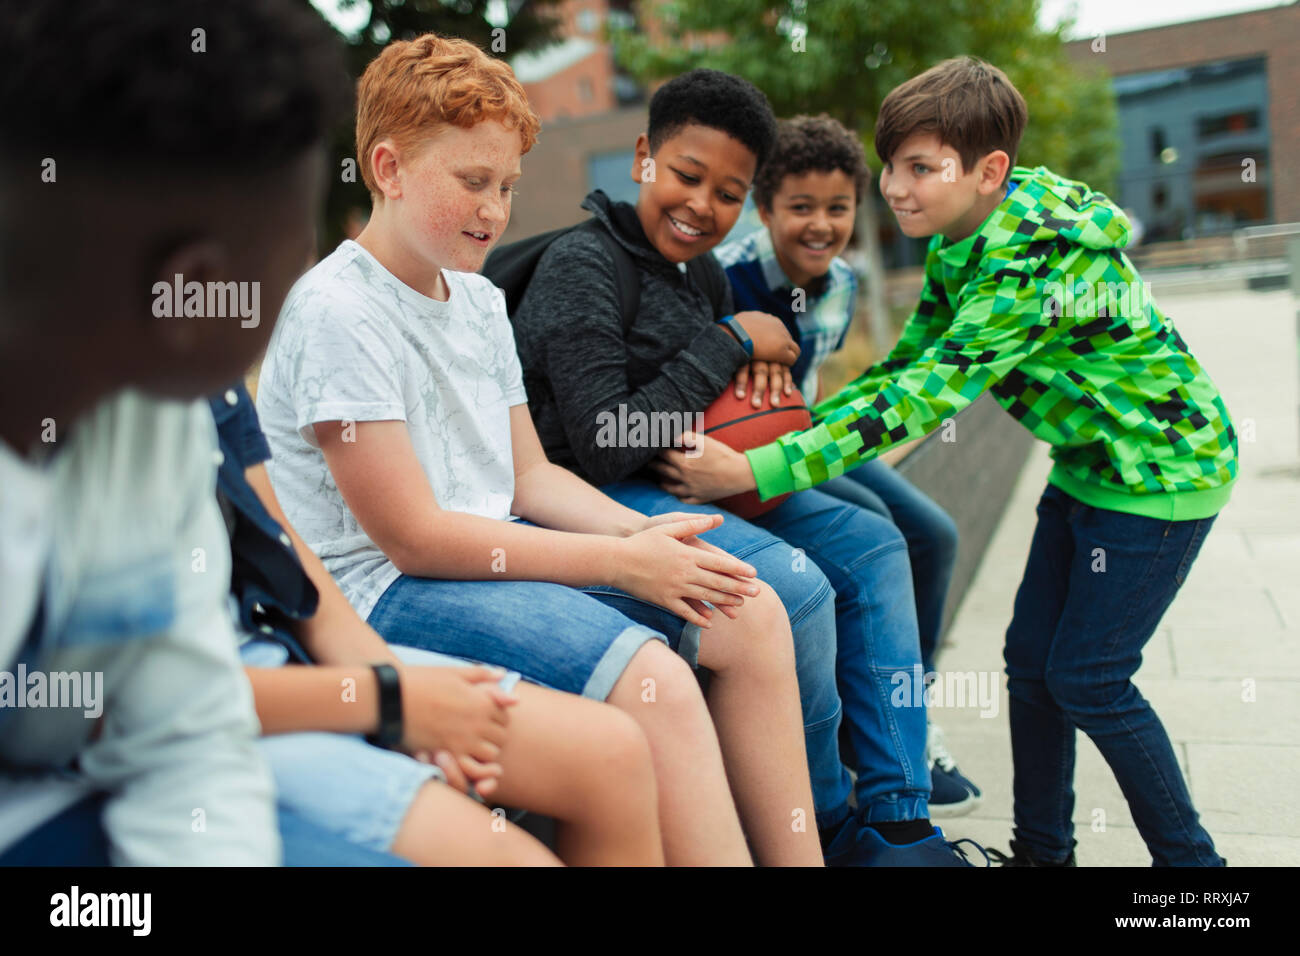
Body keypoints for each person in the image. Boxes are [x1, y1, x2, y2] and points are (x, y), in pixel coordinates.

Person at [255, 34, 821, 866]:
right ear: (387, 167)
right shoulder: (338, 310)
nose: (496, 209)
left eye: (509, 185)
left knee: (748, 606)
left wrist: (641, 538)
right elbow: (411, 536)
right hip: (383, 589)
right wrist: (616, 563)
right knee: (653, 683)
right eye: (473, 182)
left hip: (487, 554)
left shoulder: (481, 302)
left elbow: (530, 474)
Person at [663, 56, 1237, 867]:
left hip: (1165, 479)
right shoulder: (960, 238)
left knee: (1089, 680)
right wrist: (794, 427)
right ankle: (1043, 855)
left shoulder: (1028, 266)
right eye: (892, 165)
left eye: (920, 169)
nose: (896, 187)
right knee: (1030, 667)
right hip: (1088, 472)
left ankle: (1198, 878)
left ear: (988, 170)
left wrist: (761, 469)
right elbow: (906, 364)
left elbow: (927, 396)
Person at [511, 69, 984, 865]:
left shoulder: (699, 272)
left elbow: (722, 381)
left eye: (727, 193)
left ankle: (899, 824)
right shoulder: (582, 265)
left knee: (878, 545)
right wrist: (730, 342)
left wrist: (753, 372)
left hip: (688, 469)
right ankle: (827, 827)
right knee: (794, 588)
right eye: (687, 176)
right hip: (594, 490)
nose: (702, 206)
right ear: (642, 157)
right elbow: (603, 435)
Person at [0, 0, 367, 864]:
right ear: (194, 289)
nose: (305, 274)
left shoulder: (152, 422)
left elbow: (187, 741)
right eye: (297, 243)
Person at [212, 380, 665, 865]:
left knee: (611, 752)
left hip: (277, 659)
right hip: (213, 710)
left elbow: (291, 565)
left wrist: (391, 680)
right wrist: (389, 701)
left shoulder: (210, 385)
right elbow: (141, 700)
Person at [713, 113, 979, 816]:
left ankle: (907, 712)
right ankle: (876, 739)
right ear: (765, 208)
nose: (820, 225)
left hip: (807, 439)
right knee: (877, 527)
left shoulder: (845, 283)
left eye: (838, 208)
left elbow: (816, 387)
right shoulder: (724, 279)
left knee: (935, 532)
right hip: (750, 457)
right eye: (800, 207)